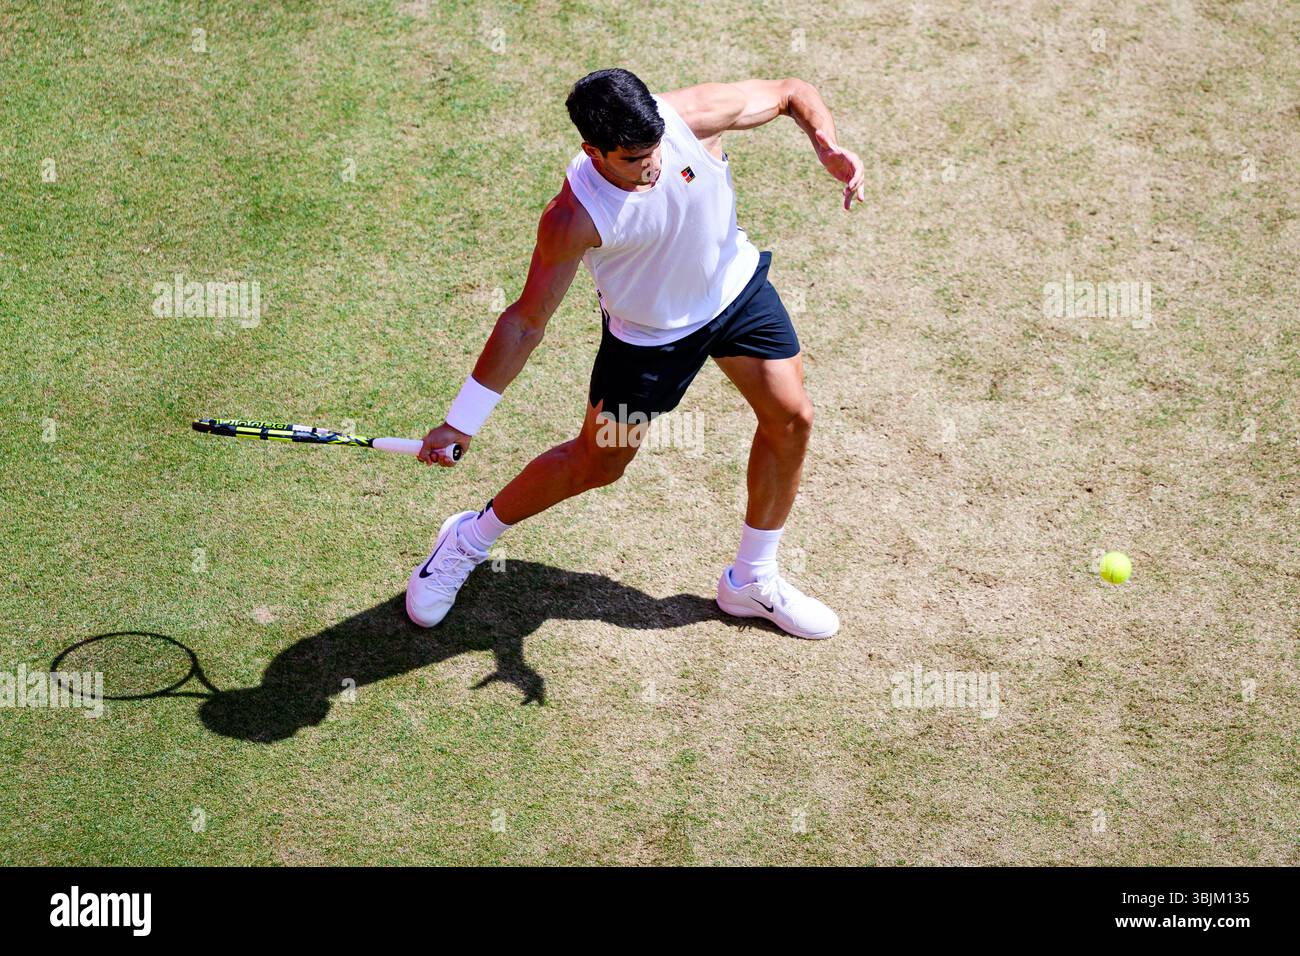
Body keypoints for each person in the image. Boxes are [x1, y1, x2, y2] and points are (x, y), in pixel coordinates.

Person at [408, 68, 865, 639]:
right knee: (599, 463)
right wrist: (461, 422)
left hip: (735, 294)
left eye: (655, 150)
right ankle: (468, 538)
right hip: (651, 342)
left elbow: (791, 92)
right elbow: (525, 323)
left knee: (792, 418)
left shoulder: (689, 119)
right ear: (591, 150)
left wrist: (826, 145)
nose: (651, 166)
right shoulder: (573, 217)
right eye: (632, 159)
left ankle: (751, 579)